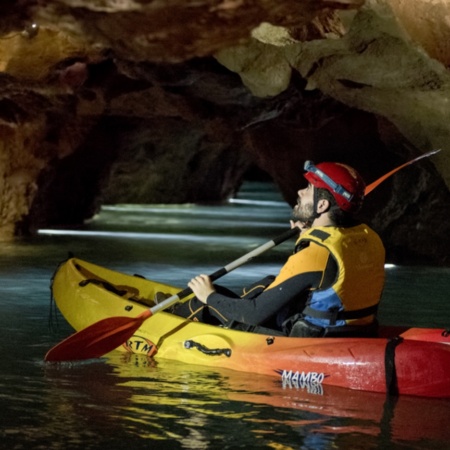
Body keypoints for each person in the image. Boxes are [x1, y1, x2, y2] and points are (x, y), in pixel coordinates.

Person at [172, 160, 386, 337]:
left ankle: (170, 315)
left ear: (322, 206)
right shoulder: (370, 238)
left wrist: (208, 295)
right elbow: (326, 276)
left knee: (207, 304)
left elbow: (254, 314)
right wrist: (308, 236)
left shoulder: (316, 252)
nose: (300, 192)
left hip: (313, 340)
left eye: (309, 188)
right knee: (265, 284)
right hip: (358, 332)